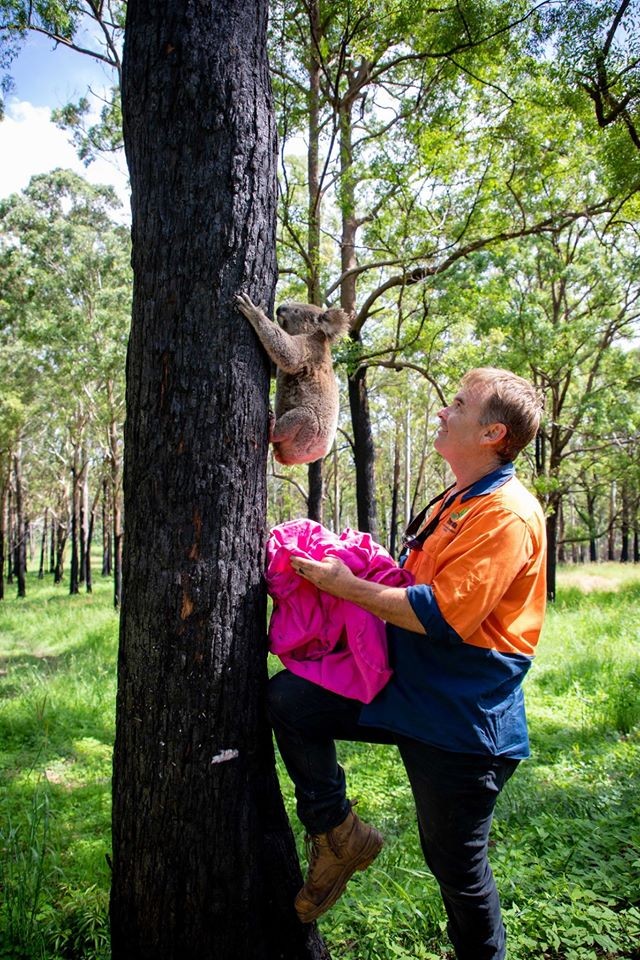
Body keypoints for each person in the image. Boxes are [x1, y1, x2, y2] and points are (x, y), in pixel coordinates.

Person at [267, 366, 546, 960]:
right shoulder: (458, 498)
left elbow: (443, 615)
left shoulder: (508, 513)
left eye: (458, 403)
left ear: (493, 433)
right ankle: (337, 832)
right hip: (403, 688)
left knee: (457, 869)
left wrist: (347, 586)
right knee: (291, 701)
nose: (443, 411)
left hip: (461, 719)